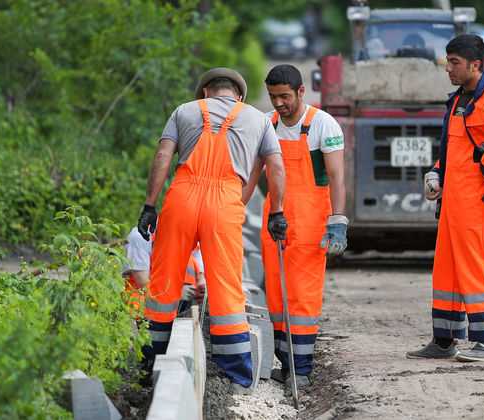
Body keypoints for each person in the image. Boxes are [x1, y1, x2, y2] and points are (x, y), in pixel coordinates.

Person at [137, 67, 287, 391]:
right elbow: (275, 165)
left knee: (164, 282)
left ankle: (150, 358)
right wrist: (277, 211)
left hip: (182, 197)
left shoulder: (184, 111)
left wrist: (150, 204)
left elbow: (163, 154)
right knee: (225, 284)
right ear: (239, 95)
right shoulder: (258, 119)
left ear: (205, 92)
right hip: (224, 203)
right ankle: (234, 373)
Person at [406, 34, 484, 362]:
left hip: (476, 202)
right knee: (446, 271)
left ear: (475, 65)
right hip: (451, 203)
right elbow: (451, 149)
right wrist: (436, 172)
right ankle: (444, 341)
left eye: (455, 63)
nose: (448, 69)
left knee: (476, 269)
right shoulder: (458, 100)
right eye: (448, 62)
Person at [242, 64, 347, 387]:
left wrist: (338, 220)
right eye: (273, 97)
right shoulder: (267, 125)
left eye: (284, 96)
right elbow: (253, 174)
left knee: (302, 295)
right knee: (275, 293)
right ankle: (285, 365)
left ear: (301, 92)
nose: (278, 103)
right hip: (276, 219)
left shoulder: (322, 125)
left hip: (311, 221)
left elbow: (337, 177)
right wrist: (234, 209)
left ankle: (301, 369)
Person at [122, 227, 205, 315]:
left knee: (189, 263)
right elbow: (142, 283)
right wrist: (175, 293)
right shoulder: (139, 236)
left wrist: (200, 286)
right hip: (142, 307)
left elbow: (199, 267)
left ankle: (184, 311)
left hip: (175, 305)